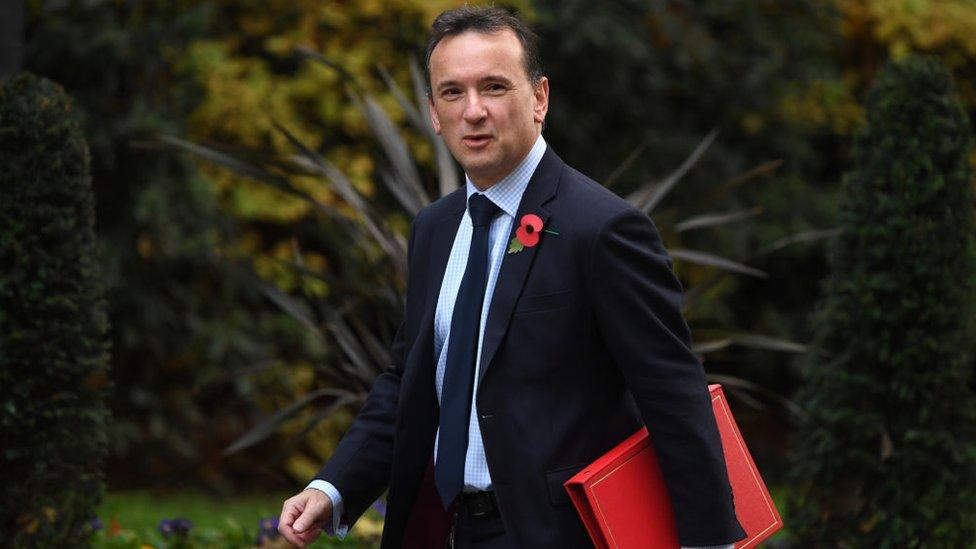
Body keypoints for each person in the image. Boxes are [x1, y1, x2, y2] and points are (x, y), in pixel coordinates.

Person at [278, 6, 746, 548]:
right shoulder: (434, 228)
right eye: (452, 93)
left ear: (539, 98)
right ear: (433, 112)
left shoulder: (603, 229)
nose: (473, 111)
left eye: (494, 87)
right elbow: (408, 379)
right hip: (446, 528)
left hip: (558, 534)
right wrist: (333, 487)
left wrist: (709, 539)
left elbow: (672, 392)